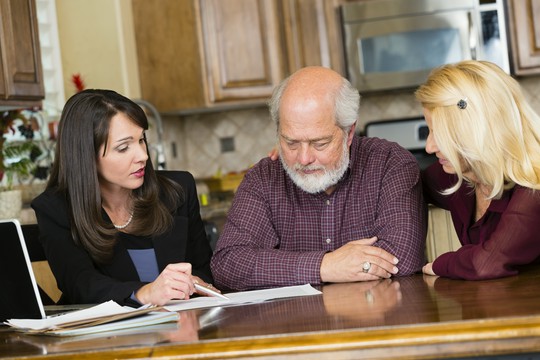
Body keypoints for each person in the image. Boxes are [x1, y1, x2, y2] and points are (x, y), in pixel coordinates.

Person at [210, 66, 426, 291]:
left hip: (383, 322)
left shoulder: (390, 164)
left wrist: (285, 267)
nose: (303, 159)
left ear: (349, 133)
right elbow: (228, 264)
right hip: (296, 324)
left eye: (319, 143)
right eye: (291, 143)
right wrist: (325, 265)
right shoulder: (264, 178)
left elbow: (402, 257)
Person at [31, 89, 215, 306]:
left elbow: (204, 268)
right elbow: (80, 284)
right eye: (123, 147)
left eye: (141, 140)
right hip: (106, 336)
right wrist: (144, 293)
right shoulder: (55, 209)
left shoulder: (178, 190)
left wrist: (196, 282)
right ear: (86, 156)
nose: (143, 156)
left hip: (183, 327)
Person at [416, 60, 540, 280]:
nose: (429, 146)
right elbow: (404, 182)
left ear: (474, 131)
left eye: (441, 133)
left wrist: (437, 265)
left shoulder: (533, 186)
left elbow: (486, 263)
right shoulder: (462, 173)